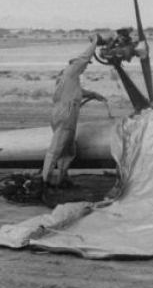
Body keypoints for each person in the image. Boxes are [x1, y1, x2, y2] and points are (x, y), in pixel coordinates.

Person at [41, 34, 107, 188]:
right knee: (57, 148)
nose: (85, 67)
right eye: (84, 65)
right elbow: (83, 59)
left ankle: (62, 178)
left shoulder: (69, 79)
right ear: (73, 64)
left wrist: (94, 95)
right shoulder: (71, 72)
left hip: (64, 113)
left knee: (68, 149)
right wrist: (95, 43)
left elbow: (78, 91)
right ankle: (44, 180)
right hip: (66, 114)